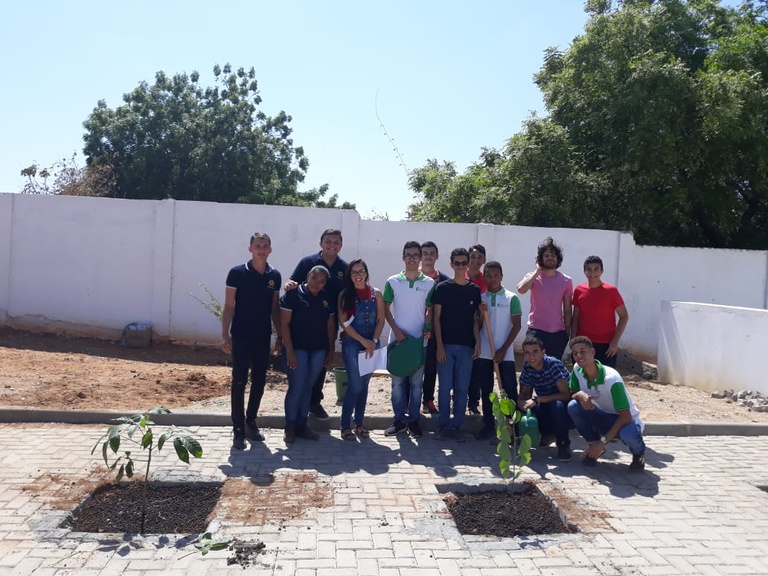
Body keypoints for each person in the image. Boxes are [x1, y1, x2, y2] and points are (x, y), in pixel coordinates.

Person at [221, 232, 282, 450]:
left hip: (262, 336)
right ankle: (237, 429)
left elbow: (275, 308)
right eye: (257, 246)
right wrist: (225, 334)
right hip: (240, 335)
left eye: (265, 246)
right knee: (239, 380)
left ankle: (250, 423)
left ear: (270, 249)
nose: (261, 249)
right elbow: (229, 306)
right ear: (250, 249)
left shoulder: (274, 275)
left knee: (259, 381)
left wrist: (279, 336)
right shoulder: (237, 273)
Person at [286, 229, 348, 420]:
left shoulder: (344, 268)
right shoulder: (308, 262)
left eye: (336, 242)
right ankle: (294, 414)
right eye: (328, 241)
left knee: (321, 364)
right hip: (302, 323)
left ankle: (314, 402)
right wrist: (288, 284)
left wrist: (346, 327)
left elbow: (347, 299)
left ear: (341, 245)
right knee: (300, 370)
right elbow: (292, 283)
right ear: (321, 243)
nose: (332, 245)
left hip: (328, 322)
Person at [567, 336, 646, 471]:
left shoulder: (611, 379)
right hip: (602, 416)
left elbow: (625, 417)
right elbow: (572, 391)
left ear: (592, 352)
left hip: (626, 421)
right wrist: (580, 395)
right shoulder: (576, 369)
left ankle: (639, 454)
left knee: (629, 435)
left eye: (582, 351)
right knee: (573, 406)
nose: (579, 356)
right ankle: (594, 449)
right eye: (575, 353)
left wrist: (602, 442)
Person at [383, 241, 435, 438]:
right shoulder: (393, 281)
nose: (412, 258)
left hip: (419, 343)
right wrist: (396, 330)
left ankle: (413, 421)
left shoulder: (429, 283)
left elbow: (430, 309)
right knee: (397, 384)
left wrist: (427, 326)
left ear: (420, 258)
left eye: (415, 255)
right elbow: (385, 309)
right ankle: (398, 420)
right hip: (398, 341)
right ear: (403, 258)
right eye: (408, 255)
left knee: (416, 384)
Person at [280, 265, 336, 444]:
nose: (317, 284)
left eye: (322, 281)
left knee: (308, 387)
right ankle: (290, 426)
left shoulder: (326, 298)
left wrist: (331, 348)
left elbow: (330, 325)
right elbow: (284, 325)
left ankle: (302, 425)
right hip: (297, 350)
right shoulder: (293, 295)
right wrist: (289, 350)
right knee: (297, 387)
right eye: (314, 279)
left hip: (319, 350)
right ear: (307, 277)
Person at [433, 248, 482, 441]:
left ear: (468, 264)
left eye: (464, 263)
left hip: (466, 347)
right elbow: (436, 319)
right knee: (445, 387)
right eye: (457, 263)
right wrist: (439, 346)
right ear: (452, 264)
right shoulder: (442, 288)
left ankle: (457, 425)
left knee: (462, 388)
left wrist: (477, 343)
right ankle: (443, 424)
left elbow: (475, 321)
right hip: (446, 346)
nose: (461, 266)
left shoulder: (475, 291)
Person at [473, 261, 522, 440]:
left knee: (508, 390)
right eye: (488, 275)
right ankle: (488, 425)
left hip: (505, 352)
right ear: (484, 277)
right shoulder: (481, 298)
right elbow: (477, 326)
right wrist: (480, 313)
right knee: (486, 390)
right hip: (486, 350)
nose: (492, 278)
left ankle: (514, 428)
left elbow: (517, 326)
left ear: (501, 276)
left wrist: (503, 349)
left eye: (496, 275)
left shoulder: (511, 298)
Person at [337, 259, 385, 441]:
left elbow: (381, 319)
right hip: (353, 344)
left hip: (371, 344)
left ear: (366, 273)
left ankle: (359, 423)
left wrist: (373, 340)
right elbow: (344, 323)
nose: (358, 275)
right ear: (350, 276)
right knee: (355, 384)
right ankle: (344, 425)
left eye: (361, 271)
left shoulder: (376, 293)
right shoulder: (345, 294)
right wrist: (363, 341)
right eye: (354, 272)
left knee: (364, 385)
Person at [516, 237, 573, 362]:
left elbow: (568, 309)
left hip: (557, 333)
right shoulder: (533, 277)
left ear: (558, 259)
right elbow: (521, 289)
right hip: (536, 330)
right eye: (546, 255)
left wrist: (566, 333)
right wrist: (537, 271)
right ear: (540, 259)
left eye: (553, 255)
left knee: (553, 369)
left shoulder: (566, 281)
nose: (550, 258)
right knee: (532, 366)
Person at [517, 336, 572, 461]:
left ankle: (563, 444)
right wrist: (521, 403)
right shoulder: (527, 366)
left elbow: (566, 395)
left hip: (563, 404)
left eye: (535, 352)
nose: (531, 356)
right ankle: (542, 435)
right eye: (527, 353)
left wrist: (538, 400)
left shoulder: (553, 364)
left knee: (556, 407)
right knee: (519, 407)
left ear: (543, 352)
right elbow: (524, 393)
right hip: (543, 401)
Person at [571, 256, 629, 368]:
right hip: (583, 344)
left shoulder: (611, 291)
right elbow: (576, 317)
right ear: (585, 271)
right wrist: (573, 339)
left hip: (606, 345)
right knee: (583, 380)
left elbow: (624, 316)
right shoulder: (579, 290)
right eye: (589, 269)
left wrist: (615, 342)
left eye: (596, 269)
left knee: (605, 380)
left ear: (602, 271)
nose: (592, 272)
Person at [419, 241, 449, 415]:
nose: (428, 256)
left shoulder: (444, 281)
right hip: (414, 330)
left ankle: (428, 400)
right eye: (425, 253)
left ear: (437, 256)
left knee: (431, 367)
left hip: (434, 332)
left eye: (432, 253)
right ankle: (408, 401)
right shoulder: (412, 277)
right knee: (412, 366)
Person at [467, 244, 488, 415]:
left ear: (484, 260)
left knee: (476, 366)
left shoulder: (486, 282)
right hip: (458, 328)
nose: (475, 260)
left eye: (479, 257)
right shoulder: (459, 276)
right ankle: (456, 399)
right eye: (472, 256)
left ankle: (473, 402)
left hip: (478, 329)